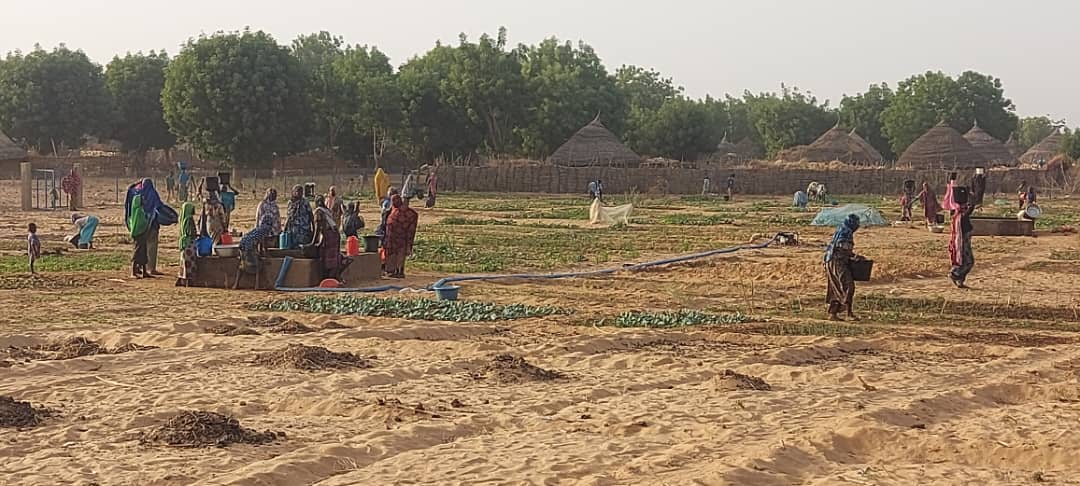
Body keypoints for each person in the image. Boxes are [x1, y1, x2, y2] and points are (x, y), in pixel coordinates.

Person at [823, 214, 861, 321]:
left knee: (835, 287)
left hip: (830, 261)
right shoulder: (846, 232)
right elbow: (842, 247)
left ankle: (833, 313)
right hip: (836, 261)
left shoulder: (841, 229)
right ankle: (848, 314)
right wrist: (854, 256)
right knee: (848, 285)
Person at [239, 197, 281, 273]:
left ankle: (239, 278)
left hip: (242, 243)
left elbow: (259, 243)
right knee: (257, 266)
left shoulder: (259, 228)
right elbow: (263, 244)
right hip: (248, 246)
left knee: (243, 264)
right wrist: (267, 256)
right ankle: (256, 283)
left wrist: (260, 253)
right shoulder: (266, 229)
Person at [383, 194, 418, 278]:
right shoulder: (396, 211)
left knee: (397, 254)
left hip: (398, 237)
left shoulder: (400, 212)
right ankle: (396, 270)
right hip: (398, 237)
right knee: (398, 254)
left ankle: (396, 271)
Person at [313, 205, 344, 279]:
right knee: (334, 257)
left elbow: (319, 228)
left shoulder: (318, 212)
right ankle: (335, 276)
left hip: (329, 235)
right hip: (335, 235)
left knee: (324, 256)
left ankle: (328, 278)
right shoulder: (326, 210)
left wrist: (313, 242)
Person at [127, 192, 151, 279]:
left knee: (143, 252)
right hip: (139, 234)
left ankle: (144, 271)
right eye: (143, 199)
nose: (144, 201)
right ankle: (133, 272)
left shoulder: (138, 210)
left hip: (142, 233)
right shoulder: (138, 211)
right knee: (137, 252)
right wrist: (148, 219)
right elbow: (141, 223)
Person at [284, 184, 314, 250]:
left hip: (304, 228)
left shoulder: (305, 202)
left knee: (303, 246)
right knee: (293, 246)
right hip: (293, 229)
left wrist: (313, 227)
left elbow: (310, 214)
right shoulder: (290, 203)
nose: (300, 193)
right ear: (294, 192)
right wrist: (285, 228)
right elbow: (288, 216)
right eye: (298, 191)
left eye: (301, 191)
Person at [177, 202, 197, 286]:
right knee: (190, 262)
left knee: (183, 262)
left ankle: (181, 279)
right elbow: (191, 232)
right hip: (189, 242)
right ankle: (189, 281)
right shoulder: (189, 219)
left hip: (183, 242)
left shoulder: (182, 219)